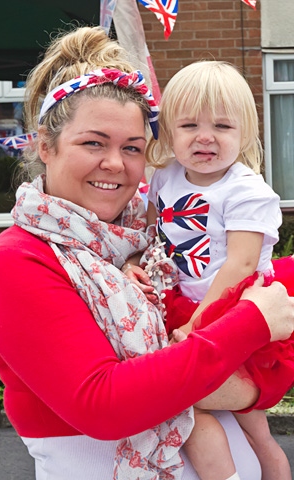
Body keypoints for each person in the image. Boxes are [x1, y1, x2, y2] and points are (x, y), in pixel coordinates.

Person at [0, 26, 294, 480]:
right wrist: (249, 327)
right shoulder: (17, 260)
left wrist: (255, 384)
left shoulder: (143, 242)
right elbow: (105, 406)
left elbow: (264, 376)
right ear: (45, 146)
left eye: (132, 148)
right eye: (93, 143)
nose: (115, 164)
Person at [123, 60, 294, 480]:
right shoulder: (165, 177)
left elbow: (240, 265)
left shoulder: (247, 191)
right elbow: (149, 232)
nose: (205, 137)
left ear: (245, 134)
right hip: (182, 306)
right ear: (166, 133)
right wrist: (130, 261)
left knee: (255, 431)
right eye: (188, 126)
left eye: (222, 125)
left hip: (236, 314)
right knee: (205, 413)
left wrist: (199, 325)